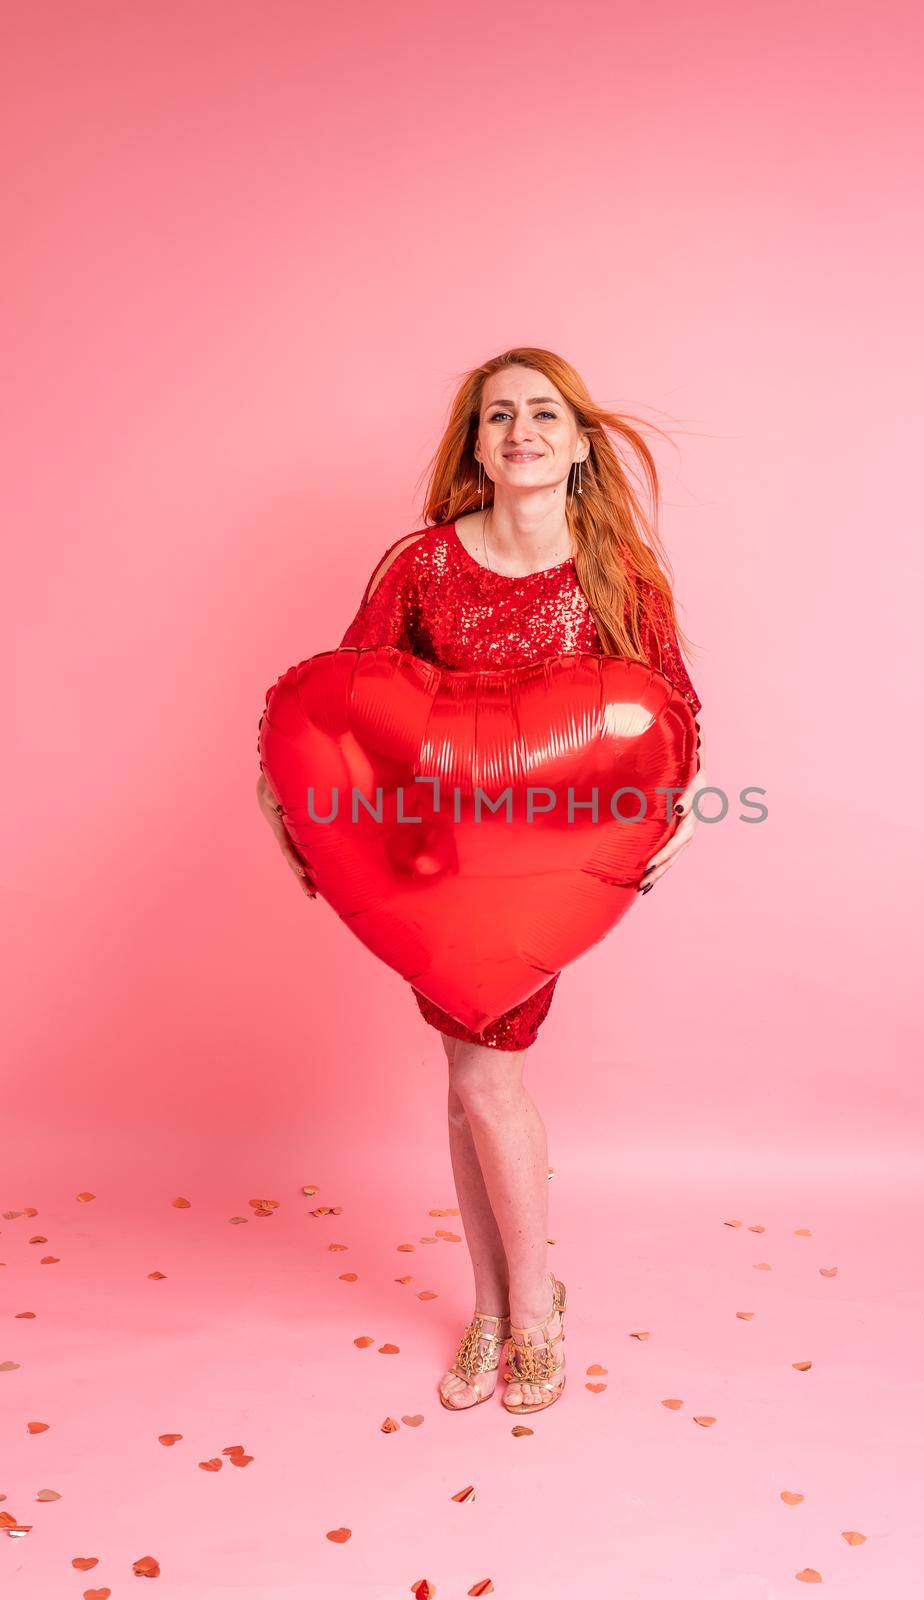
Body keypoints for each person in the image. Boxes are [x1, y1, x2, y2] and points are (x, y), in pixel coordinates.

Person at [257, 347, 706, 1415]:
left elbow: (669, 707)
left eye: (543, 413)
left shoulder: (616, 574)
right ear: (475, 445)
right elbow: (343, 701)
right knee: (470, 1082)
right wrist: (291, 810)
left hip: (551, 869)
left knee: (477, 1081)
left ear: (578, 439)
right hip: (427, 865)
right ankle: (506, 1306)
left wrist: (674, 810)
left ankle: (523, 1308)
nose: (521, 431)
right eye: (497, 416)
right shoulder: (420, 565)